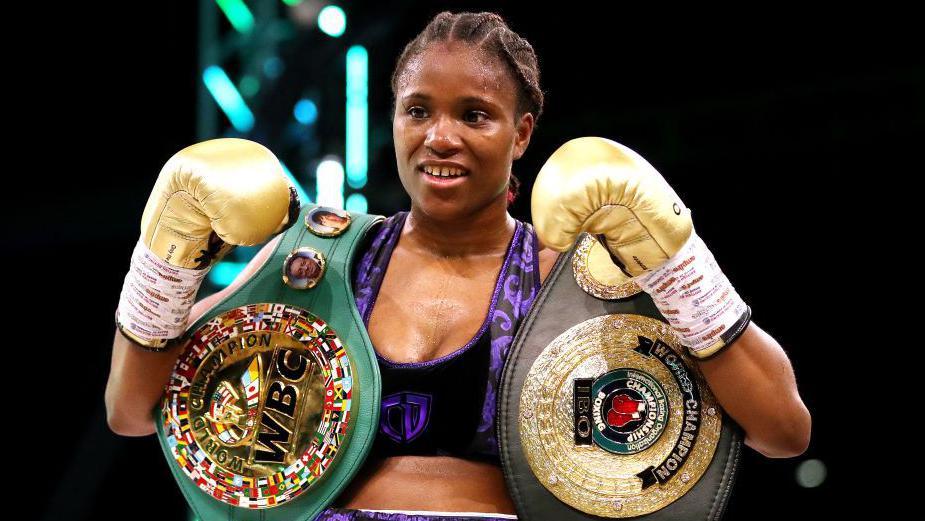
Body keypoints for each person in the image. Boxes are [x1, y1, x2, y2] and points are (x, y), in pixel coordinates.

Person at [105, 10, 811, 521]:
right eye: (418, 110)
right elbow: (131, 409)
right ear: (394, 120)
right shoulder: (318, 259)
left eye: (474, 114)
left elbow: (783, 429)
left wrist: (676, 262)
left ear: (521, 131)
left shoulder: (575, 276)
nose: (439, 137)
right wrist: (164, 259)